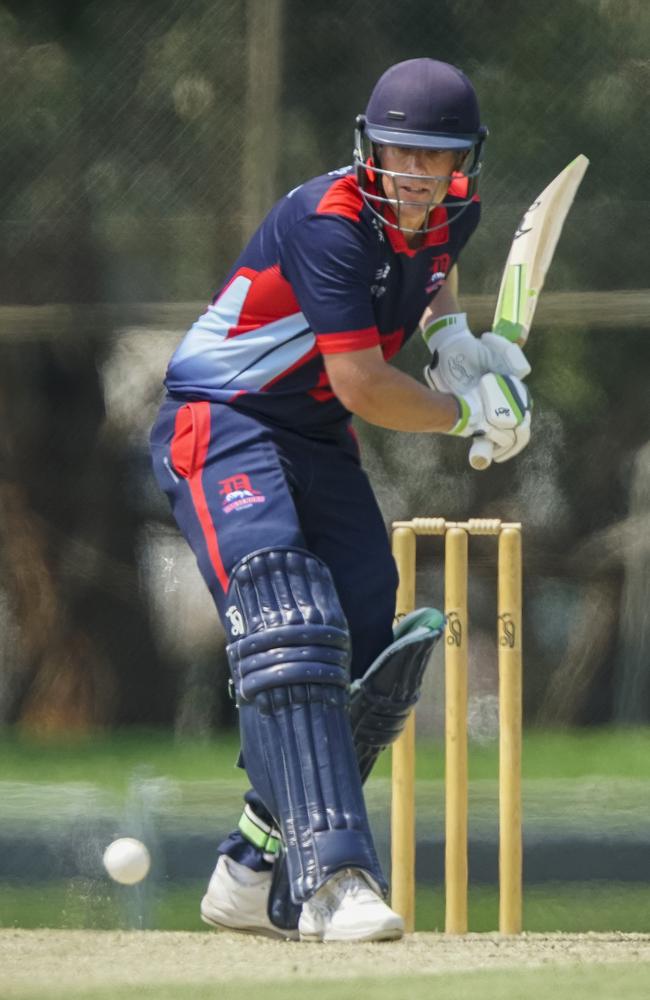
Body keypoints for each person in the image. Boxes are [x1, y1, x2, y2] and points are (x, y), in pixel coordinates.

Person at [150, 57, 531, 943]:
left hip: (314, 440)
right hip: (224, 423)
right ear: (369, 145)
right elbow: (360, 382)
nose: (414, 173)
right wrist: (464, 411)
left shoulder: (453, 212)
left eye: (434, 157)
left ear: (461, 160)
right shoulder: (330, 223)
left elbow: (433, 273)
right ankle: (332, 881)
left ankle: (248, 869)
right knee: (290, 613)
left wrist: (453, 340)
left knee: (361, 639)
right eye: (399, 151)